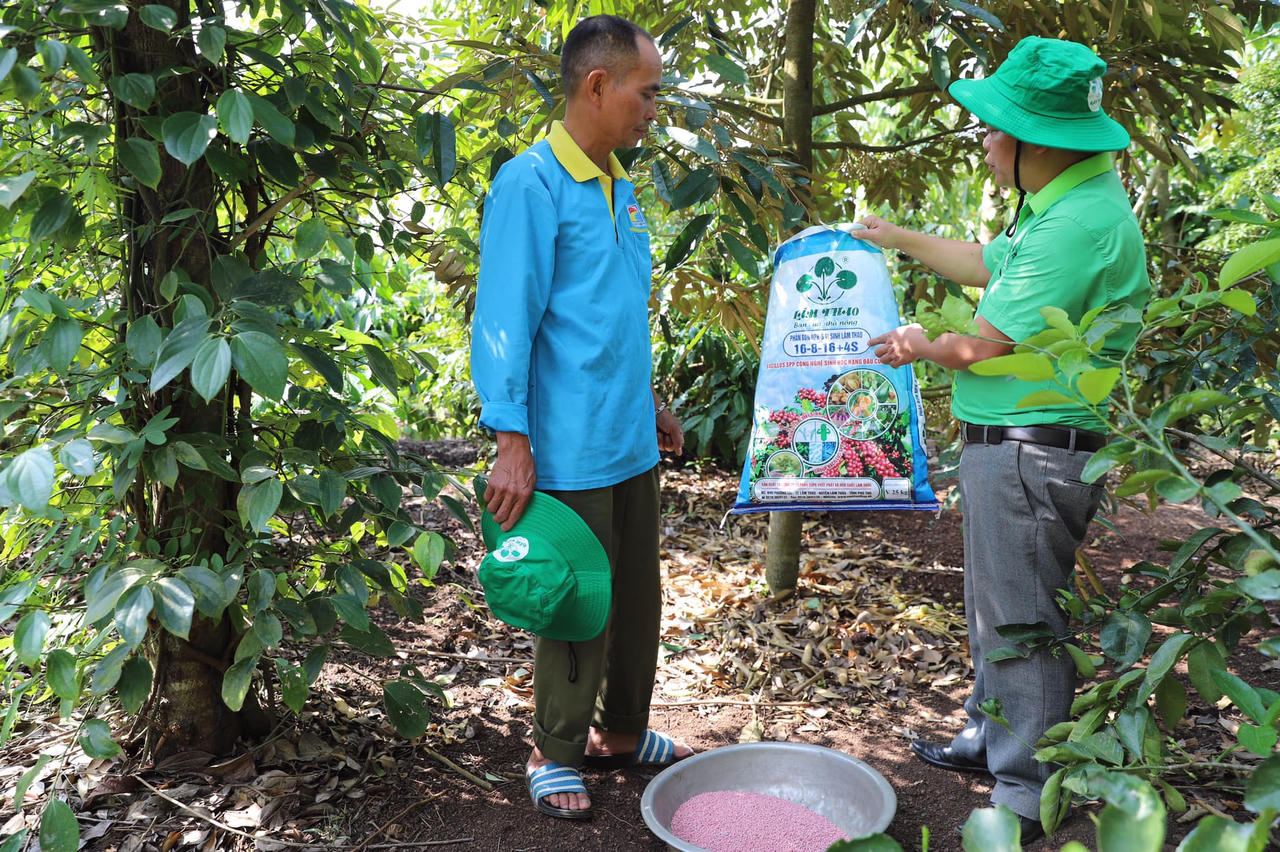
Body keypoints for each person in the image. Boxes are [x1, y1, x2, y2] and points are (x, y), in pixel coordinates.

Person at [854, 37, 1151, 841]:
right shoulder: (1066, 205)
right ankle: (994, 736)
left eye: (996, 127)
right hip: (1016, 446)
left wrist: (917, 341)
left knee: (1021, 622)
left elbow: (982, 345)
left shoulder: (1075, 228)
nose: (984, 139)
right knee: (996, 607)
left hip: (1030, 450)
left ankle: (1025, 795)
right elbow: (990, 263)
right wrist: (897, 236)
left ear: (1040, 142)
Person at [469, 14, 689, 821]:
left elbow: (615, 316)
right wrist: (511, 440)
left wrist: (652, 402)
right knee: (575, 599)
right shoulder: (531, 185)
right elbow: (505, 318)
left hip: (626, 437)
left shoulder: (619, 187)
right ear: (598, 87)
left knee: (636, 598)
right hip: (564, 447)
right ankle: (554, 749)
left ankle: (621, 732)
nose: (653, 107)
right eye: (647, 91)